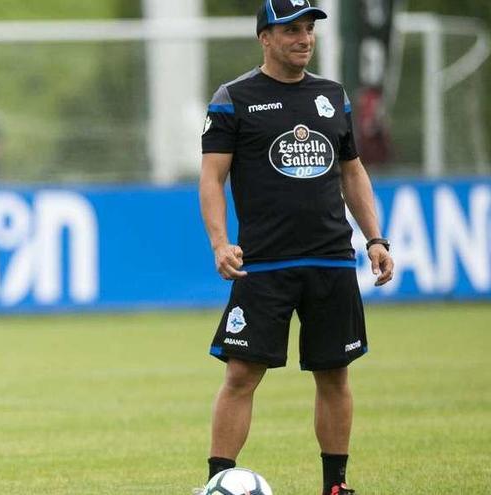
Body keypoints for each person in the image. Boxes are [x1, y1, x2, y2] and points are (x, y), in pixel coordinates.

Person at [196, 2, 394, 494]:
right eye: (291, 30)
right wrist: (221, 243)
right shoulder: (233, 99)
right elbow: (211, 177)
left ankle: (336, 486)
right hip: (263, 264)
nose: (304, 38)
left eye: (308, 30)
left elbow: (352, 172)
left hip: (330, 259)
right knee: (241, 375)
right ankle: (218, 483)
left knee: (334, 375)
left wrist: (375, 239)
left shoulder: (332, 96)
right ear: (265, 37)